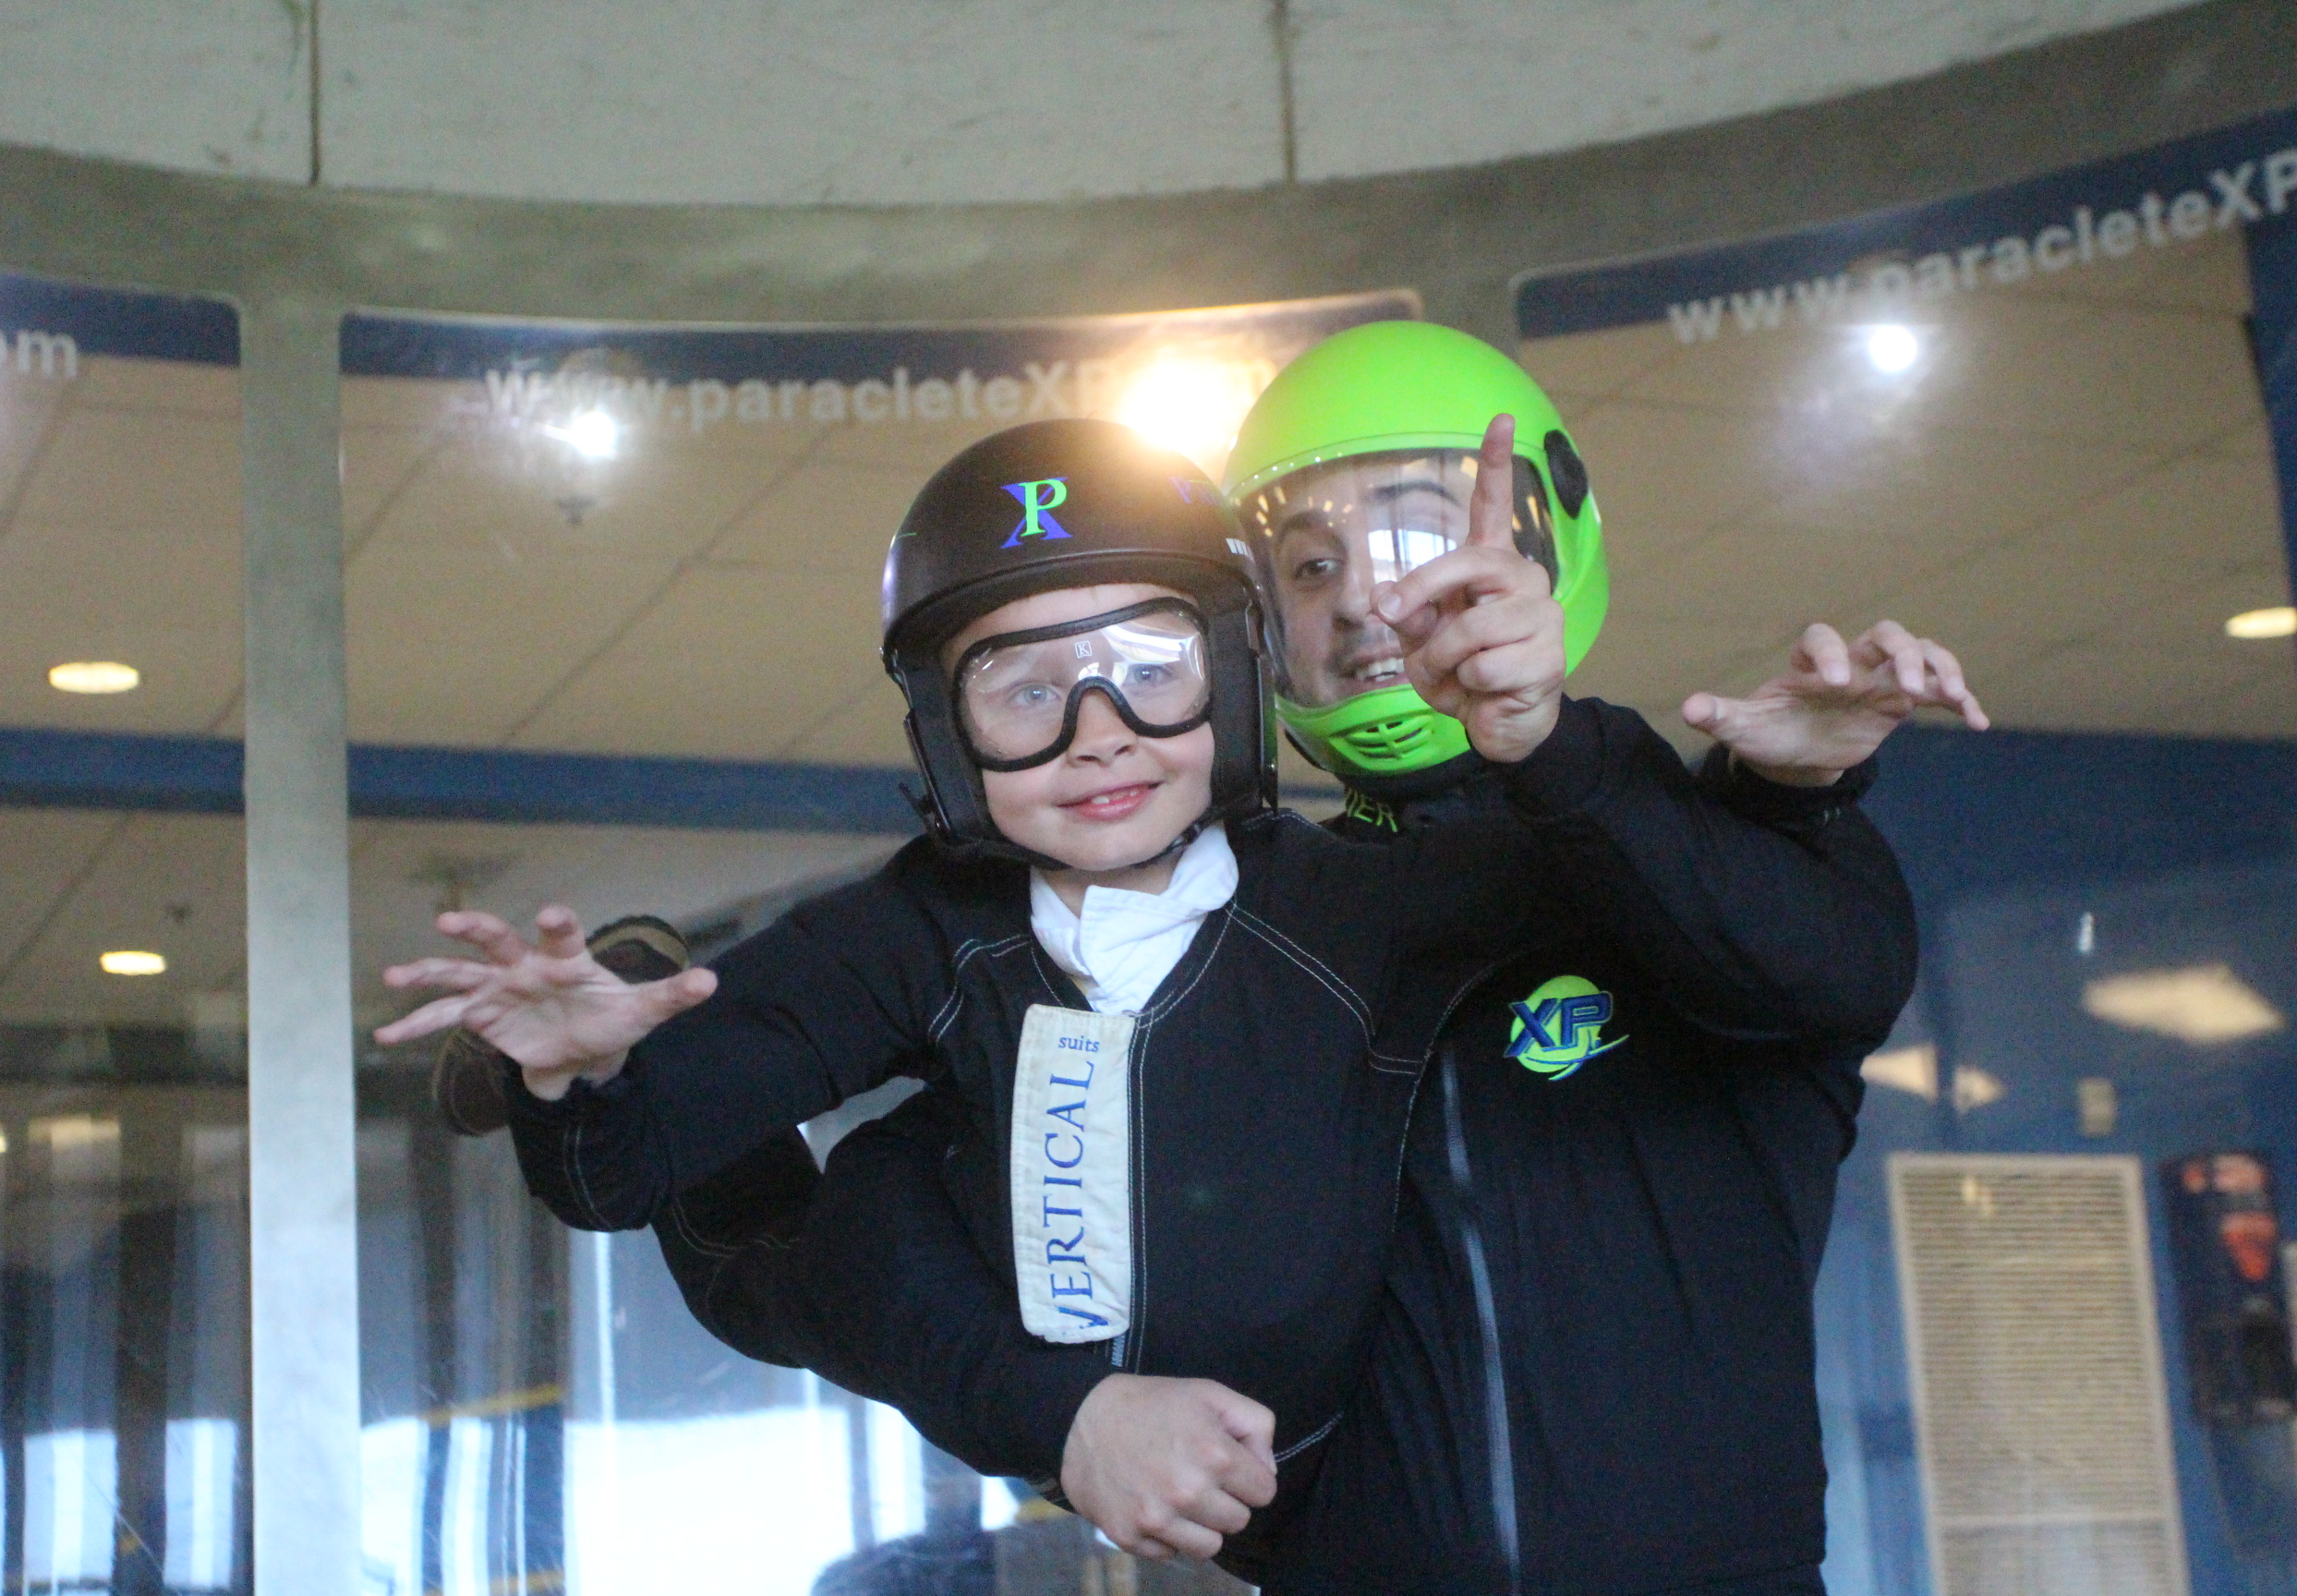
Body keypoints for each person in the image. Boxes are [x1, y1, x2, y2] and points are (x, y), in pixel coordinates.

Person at [638, 322, 1978, 1589]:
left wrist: (1696, 782)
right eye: (1310, 564)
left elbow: (1820, 972)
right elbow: (899, 1226)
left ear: (1546, 535)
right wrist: (1061, 1413)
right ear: (1250, 630)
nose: (1369, 603)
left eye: (1415, 527)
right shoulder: (1219, 928)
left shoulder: (1715, 862)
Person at [379, 409, 1775, 1573]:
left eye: (1148, 669)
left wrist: (1772, 791)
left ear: (1233, 678)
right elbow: (619, 1170)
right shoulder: (922, 925)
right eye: (1023, 689)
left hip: (1318, 1480)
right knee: (858, 1206)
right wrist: (569, 1073)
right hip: (952, 1283)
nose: (1097, 735)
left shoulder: (1351, 905)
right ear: (945, 729)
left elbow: (1718, 936)